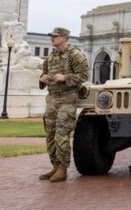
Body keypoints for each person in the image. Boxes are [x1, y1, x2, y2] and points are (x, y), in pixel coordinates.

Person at [38, 26, 89, 183]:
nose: (52, 38)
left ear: (65, 38)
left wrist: (65, 78)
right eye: (51, 36)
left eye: (55, 36)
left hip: (68, 98)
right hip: (52, 98)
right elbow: (43, 74)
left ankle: (62, 168)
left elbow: (84, 75)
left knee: (62, 133)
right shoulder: (51, 57)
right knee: (50, 134)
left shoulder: (75, 54)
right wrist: (42, 79)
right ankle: (55, 165)